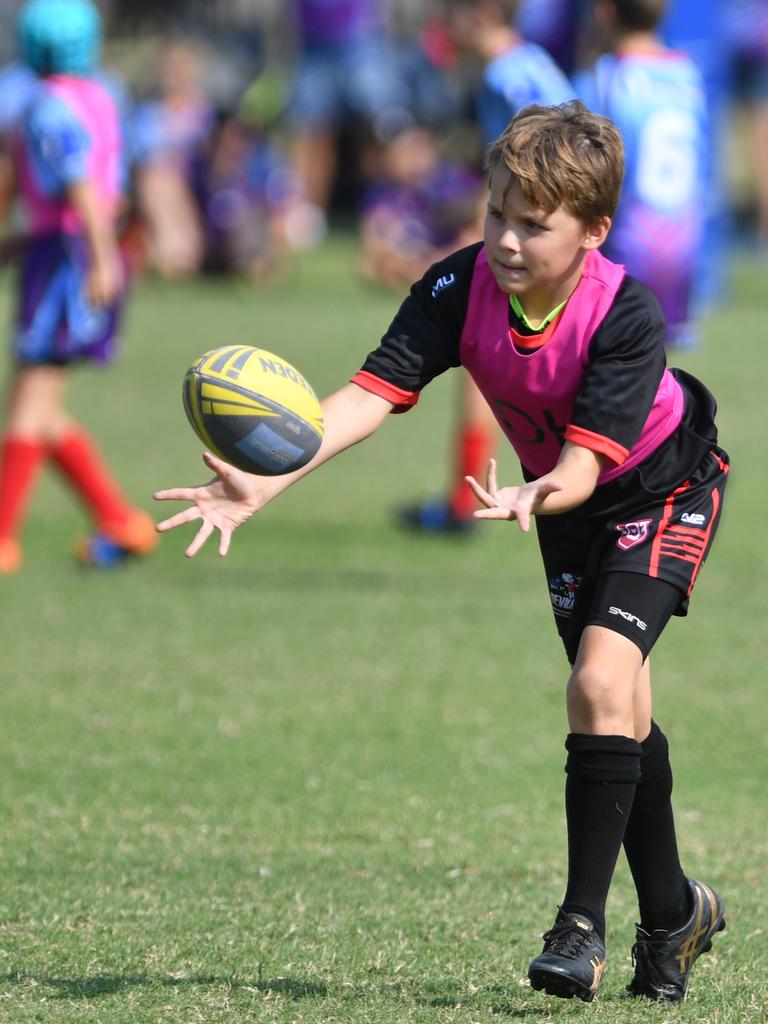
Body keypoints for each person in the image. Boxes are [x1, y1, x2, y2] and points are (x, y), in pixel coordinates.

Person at [155, 100, 728, 1004]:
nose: (505, 239)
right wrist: (263, 480)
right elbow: (368, 395)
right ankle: (675, 912)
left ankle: (579, 930)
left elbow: (585, 462)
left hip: (659, 488)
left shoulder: (626, 314)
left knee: (596, 684)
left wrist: (543, 490)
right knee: (616, 706)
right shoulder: (457, 288)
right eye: (497, 212)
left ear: (593, 233)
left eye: (533, 225)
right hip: (562, 507)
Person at [399, 0, 576, 535]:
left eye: (451, 13)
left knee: (489, 351)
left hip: (540, 242)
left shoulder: (507, 76)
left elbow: (541, 168)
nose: (444, 24)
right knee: (491, 354)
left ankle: (463, 502)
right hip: (550, 236)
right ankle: (463, 499)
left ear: (480, 12)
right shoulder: (530, 63)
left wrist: (494, 233)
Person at [0, 0, 157, 573]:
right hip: (67, 248)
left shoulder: (46, 107)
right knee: (37, 405)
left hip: (68, 258)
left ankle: (3, 539)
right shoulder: (101, 95)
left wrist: (97, 260)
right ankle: (118, 519)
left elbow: (81, 188)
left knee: (30, 399)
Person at [574, 0, 708, 350]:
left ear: (605, 12)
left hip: (627, 243)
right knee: (659, 361)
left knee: (606, 353)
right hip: (684, 243)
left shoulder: (606, 76)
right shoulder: (688, 73)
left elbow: (580, 161)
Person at [359, 123, 483, 290]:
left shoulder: (452, 183)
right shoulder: (383, 192)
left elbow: (474, 233)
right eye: (404, 151)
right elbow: (370, 248)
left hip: (445, 254)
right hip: (409, 258)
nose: (410, 159)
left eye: (416, 150)